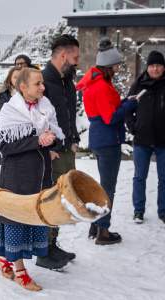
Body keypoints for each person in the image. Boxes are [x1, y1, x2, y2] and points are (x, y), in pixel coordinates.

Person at [0, 67, 65, 291]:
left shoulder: (46, 107)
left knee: (31, 220)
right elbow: (4, 146)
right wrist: (37, 141)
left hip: (40, 176)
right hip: (16, 178)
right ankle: (20, 271)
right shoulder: (10, 111)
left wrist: (51, 140)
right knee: (15, 221)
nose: (43, 87)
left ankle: (4, 258)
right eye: (38, 84)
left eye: (42, 83)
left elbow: (57, 138)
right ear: (22, 87)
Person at [76, 37, 137, 245]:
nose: (119, 67)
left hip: (100, 138)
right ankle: (103, 232)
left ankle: (96, 224)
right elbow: (111, 117)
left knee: (103, 186)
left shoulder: (95, 83)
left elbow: (107, 109)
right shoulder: (101, 86)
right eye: (117, 65)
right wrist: (129, 106)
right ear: (108, 66)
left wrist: (123, 102)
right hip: (107, 140)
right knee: (108, 188)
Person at [37, 34, 80, 270]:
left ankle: (52, 245)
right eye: (75, 57)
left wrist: (73, 139)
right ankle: (44, 251)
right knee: (51, 198)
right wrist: (49, 148)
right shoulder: (43, 81)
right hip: (52, 153)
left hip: (66, 149)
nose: (77, 62)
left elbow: (68, 115)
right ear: (63, 55)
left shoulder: (66, 81)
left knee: (62, 198)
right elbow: (36, 118)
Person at [125, 50, 165, 224]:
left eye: (158, 65)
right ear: (147, 67)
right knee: (140, 176)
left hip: (164, 141)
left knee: (164, 178)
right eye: (152, 66)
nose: (155, 69)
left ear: (163, 67)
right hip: (142, 140)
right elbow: (128, 108)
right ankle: (138, 210)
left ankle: (163, 211)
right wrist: (133, 127)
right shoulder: (139, 84)